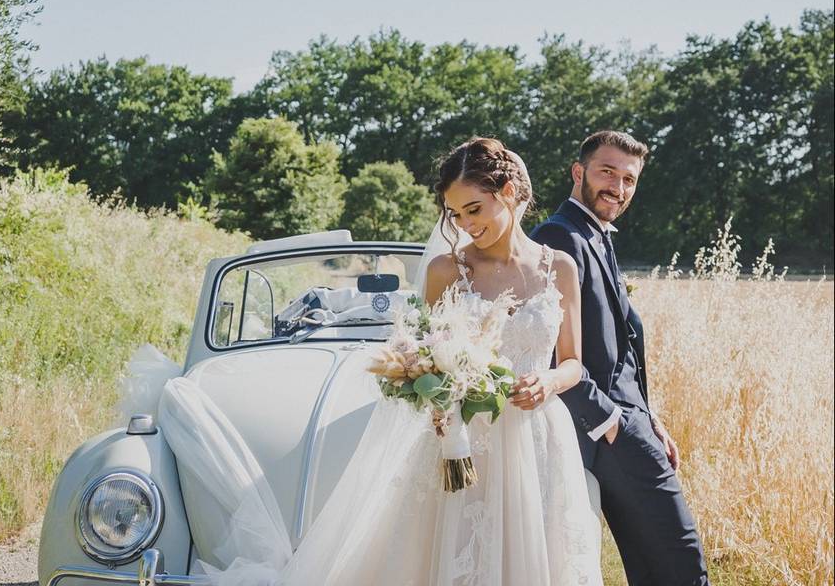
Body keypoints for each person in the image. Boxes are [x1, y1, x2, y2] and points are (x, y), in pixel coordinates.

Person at [154, 136, 603, 586]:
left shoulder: (559, 267)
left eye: (474, 209)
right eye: (456, 214)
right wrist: (437, 386)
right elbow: (421, 351)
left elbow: (573, 363)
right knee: (456, 554)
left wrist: (548, 382)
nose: (466, 225)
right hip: (462, 438)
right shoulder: (448, 270)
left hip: (534, 435)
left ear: (507, 192)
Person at [530, 130, 708, 586]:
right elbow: (549, 346)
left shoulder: (597, 235)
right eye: (607, 172)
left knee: (654, 559)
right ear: (578, 172)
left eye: (629, 179)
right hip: (606, 422)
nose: (618, 187)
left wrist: (651, 418)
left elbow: (622, 345)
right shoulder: (559, 236)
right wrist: (610, 421)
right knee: (678, 553)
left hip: (629, 418)